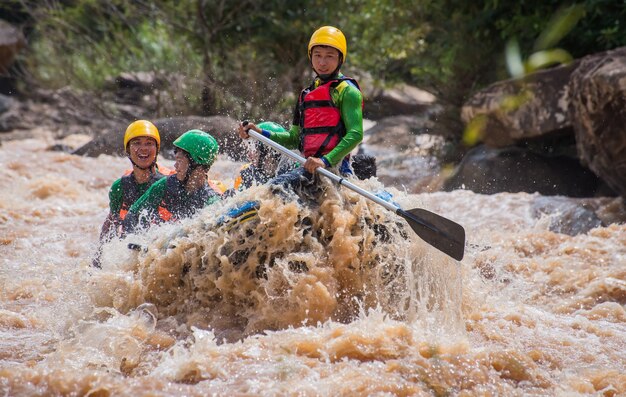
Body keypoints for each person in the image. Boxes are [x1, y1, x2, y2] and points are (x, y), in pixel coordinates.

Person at [238, 26, 363, 193]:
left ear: (340, 59)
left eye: (329, 57)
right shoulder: (305, 95)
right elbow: (293, 138)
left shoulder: (348, 92)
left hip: (335, 170)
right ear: (311, 57)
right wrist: (259, 132)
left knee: (276, 188)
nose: (322, 62)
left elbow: (356, 134)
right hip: (310, 169)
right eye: (317, 55)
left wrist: (325, 161)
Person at [121, 129, 222, 234]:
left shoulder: (211, 200)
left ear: (197, 163)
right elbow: (133, 214)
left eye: (179, 160)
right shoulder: (166, 184)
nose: (175, 166)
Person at [232, 121, 287, 191]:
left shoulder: (290, 175)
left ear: (269, 152)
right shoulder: (249, 174)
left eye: (254, 147)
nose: (249, 154)